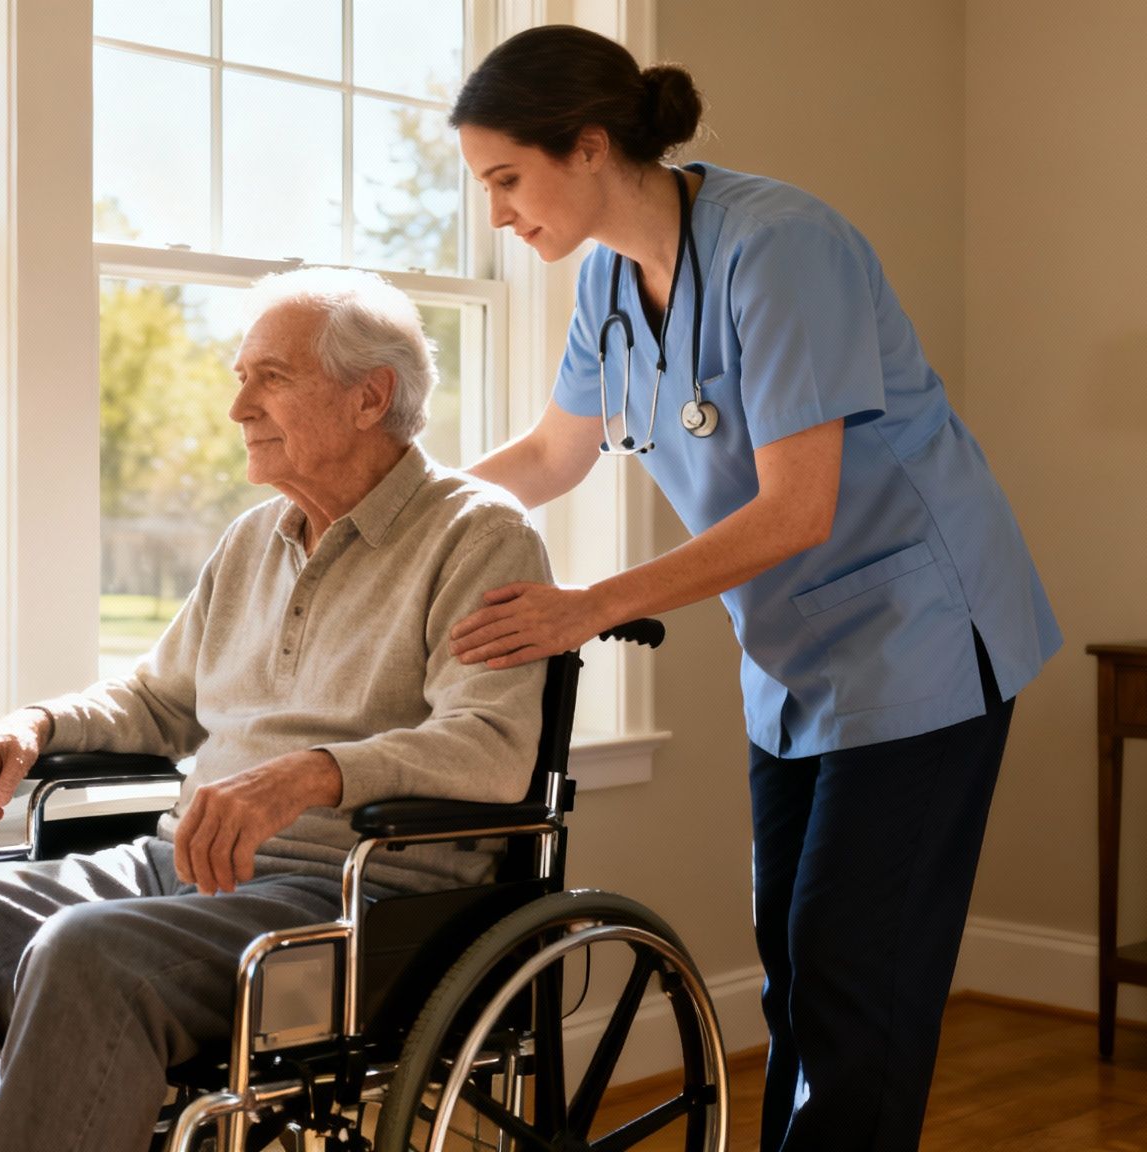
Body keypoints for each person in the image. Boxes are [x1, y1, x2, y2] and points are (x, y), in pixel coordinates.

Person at [444, 25, 1059, 1152]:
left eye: (504, 180)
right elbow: (548, 457)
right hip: (794, 659)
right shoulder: (605, 280)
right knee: (793, 963)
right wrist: (390, 513)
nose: (494, 212)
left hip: (917, 638)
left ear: (585, 148)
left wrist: (587, 605)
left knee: (849, 976)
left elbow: (795, 509)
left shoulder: (778, 246)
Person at [0, 267, 554, 1152]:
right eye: (240, 376)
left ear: (372, 397)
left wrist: (313, 777)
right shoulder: (254, 538)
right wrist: (37, 726)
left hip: (359, 907)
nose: (239, 407)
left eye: (270, 378)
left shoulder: (480, 536)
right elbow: (157, 699)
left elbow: (493, 747)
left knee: (89, 954)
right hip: (188, 867)